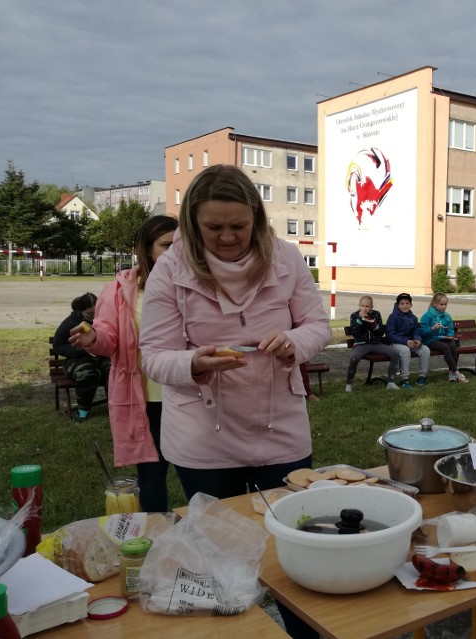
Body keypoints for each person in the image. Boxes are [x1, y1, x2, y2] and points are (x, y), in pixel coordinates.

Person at [139, 165, 330, 639]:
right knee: (219, 553)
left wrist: (294, 341)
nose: (227, 237)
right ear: (191, 225)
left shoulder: (286, 258)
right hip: (202, 436)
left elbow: (317, 325)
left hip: (280, 430)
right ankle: (237, 629)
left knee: (292, 544)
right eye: (213, 227)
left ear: (257, 220)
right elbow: (154, 356)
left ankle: (302, 631)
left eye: (238, 226)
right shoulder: (171, 267)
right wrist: (193, 364)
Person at [68, 215, 179, 512]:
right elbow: (109, 338)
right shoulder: (120, 290)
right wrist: (92, 338)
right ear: (147, 248)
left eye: (182, 244)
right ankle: (156, 537)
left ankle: (201, 536)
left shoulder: (194, 285)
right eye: (167, 245)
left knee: (198, 470)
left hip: (190, 395)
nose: (177, 251)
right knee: (152, 475)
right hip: (145, 398)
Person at [52, 292, 111, 421]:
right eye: (89, 314)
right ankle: (83, 410)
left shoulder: (106, 319)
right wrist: (79, 350)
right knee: (87, 373)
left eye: (97, 313)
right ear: (80, 311)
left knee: (113, 371)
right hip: (78, 359)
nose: (94, 317)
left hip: (102, 358)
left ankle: (113, 408)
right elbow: (58, 345)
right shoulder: (70, 322)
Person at [345, 295, 401, 392]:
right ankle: (348, 383)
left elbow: (380, 333)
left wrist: (373, 324)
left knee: (394, 353)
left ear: (371, 307)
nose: (364, 308)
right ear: (359, 306)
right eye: (362, 306)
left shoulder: (376, 314)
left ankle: (391, 382)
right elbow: (355, 333)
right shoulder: (354, 315)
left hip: (376, 343)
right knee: (354, 357)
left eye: (367, 306)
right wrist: (360, 320)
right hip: (361, 344)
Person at [419, 292, 467, 383]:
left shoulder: (447, 316)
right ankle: (456, 372)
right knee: (445, 347)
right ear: (434, 303)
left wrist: (449, 336)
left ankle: (451, 373)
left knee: (452, 344)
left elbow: (450, 329)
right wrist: (432, 328)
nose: (443, 307)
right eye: (441, 304)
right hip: (430, 340)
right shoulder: (427, 316)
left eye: (445, 304)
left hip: (442, 338)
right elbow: (422, 332)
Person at [386, 292, 430, 388]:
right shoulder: (393, 317)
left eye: (407, 303)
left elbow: (417, 331)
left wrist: (417, 340)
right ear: (398, 305)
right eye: (402, 304)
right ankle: (404, 379)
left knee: (425, 349)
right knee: (405, 350)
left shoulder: (413, 318)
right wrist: (405, 342)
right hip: (396, 343)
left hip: (410, 342)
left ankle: (422, 377)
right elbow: (390, 335)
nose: (405, 306)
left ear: (411, 305)